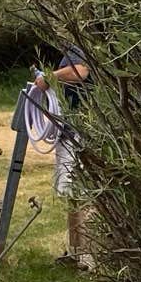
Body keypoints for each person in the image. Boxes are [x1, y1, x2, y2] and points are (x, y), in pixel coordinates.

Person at [34, 45, 92, 267]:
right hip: (68, 132)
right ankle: (76, 252)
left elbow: (81, 71)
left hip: (82, 133)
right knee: (72, 194)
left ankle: (89, 255)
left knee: (85, 193)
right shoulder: (71, 48)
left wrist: (50, 77)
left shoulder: (81, 45)